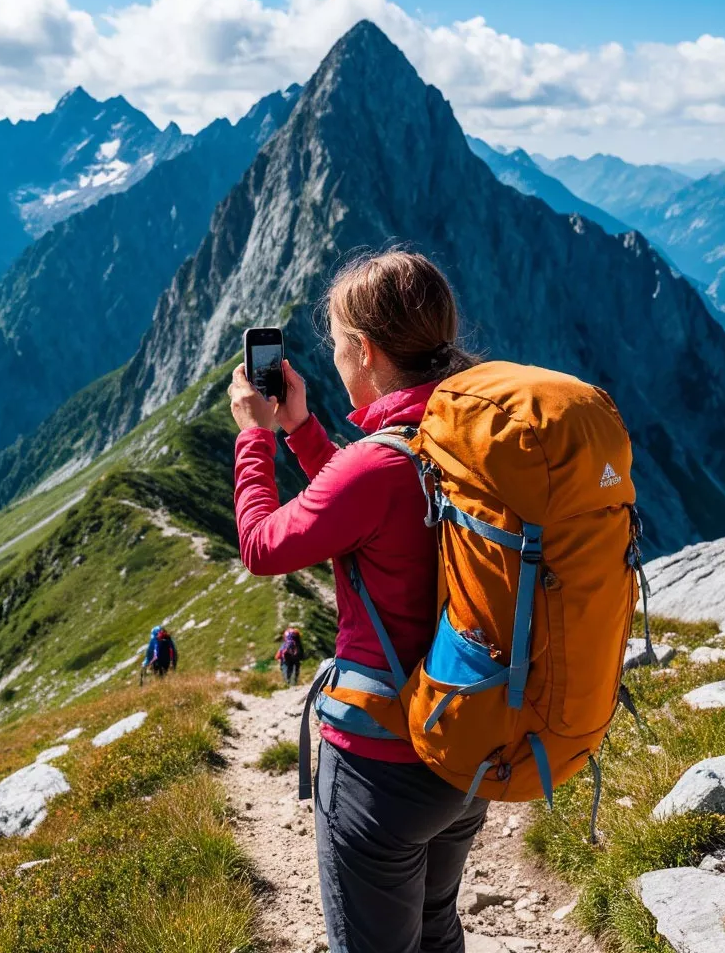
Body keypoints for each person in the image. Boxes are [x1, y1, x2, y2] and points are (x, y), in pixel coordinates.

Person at [227, 249, 486, 953]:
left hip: (382, 766)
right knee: (436, 926)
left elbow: (263, 545)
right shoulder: (465, 436)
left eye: (339, 342)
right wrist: (302, 431)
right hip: (466, 748)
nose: (336, 355)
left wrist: (254, 438)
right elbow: (377, 507)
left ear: (364, 351)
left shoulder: (379, 465)